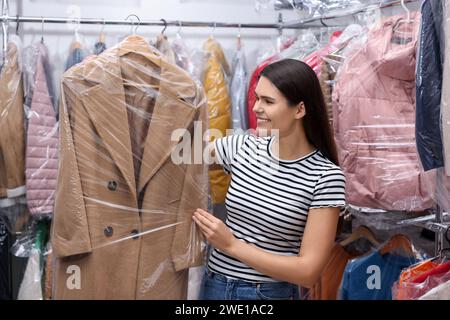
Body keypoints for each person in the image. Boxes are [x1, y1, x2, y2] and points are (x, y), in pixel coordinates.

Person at [193, 58, 346, 300]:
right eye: (256, 97)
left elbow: (307, 272)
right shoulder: (242, 146)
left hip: (267, 294)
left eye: (268, 101)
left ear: (300, 110)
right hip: (214, 286)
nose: (255, 108)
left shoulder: (325, 177)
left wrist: (231, 245)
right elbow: (180, 159)